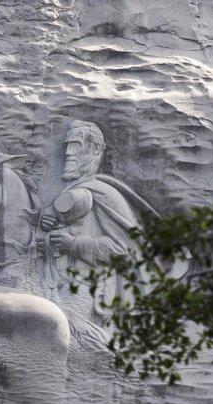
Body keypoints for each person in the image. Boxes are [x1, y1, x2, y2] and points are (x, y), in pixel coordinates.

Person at [35, 120, 155, 316]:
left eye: (76, 145)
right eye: (67, 145)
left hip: (87, 293)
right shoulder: (69, 193)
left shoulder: (106, 194)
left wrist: (75, 245)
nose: (67, 153)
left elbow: (123, 251)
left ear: (95, 149)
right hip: (53, 286)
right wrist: (47, 234)